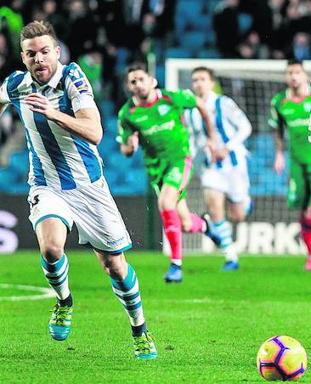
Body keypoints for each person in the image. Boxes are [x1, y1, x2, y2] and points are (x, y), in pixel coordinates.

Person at [0, 21, 156, 359]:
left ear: (56, 52)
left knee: (115, 266)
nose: (38, 59)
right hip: (46, 184)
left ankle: (140, 328)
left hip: (88, 186)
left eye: (44, 51)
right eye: (31, 54)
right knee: (52, 249)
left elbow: (95, 131)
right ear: (23, 58)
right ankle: (64, 301)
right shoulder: (16, 84)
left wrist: (56, 115)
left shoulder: (73, 79)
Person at [117, 62, 219, 283]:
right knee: (186, 224)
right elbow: (124, 148)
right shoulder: (128, 114)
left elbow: (200, 104)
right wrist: (130, 147)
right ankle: (206, 225)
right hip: (156, 169)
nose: (137, 84)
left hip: (180, 160)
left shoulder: (172, 98)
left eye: (141, 79)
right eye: (132, 81)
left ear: (152, 80)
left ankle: (176, 265)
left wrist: (211, 136)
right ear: (129, 86)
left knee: (165, 203)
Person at [270, 59, 311, 271]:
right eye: (289, 72)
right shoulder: (279, 102)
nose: (293, 76)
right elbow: (279, 130)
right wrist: (279, 154)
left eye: (297, 72)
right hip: (296, 162)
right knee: (303, 211)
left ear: (305, 75)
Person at [185, 66, 252, 271]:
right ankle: (231, 257)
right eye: (195, 80)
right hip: (210, 169)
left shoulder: (224, 103)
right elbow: (191, 139)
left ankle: (246, 202)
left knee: (238, 215)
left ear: (211, 82)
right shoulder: (189, 111)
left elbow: (245, 127)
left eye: (202, 79)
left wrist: (227, 147)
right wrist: (199, 150)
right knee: (214, 207)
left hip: (234, 166)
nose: (198, 83)